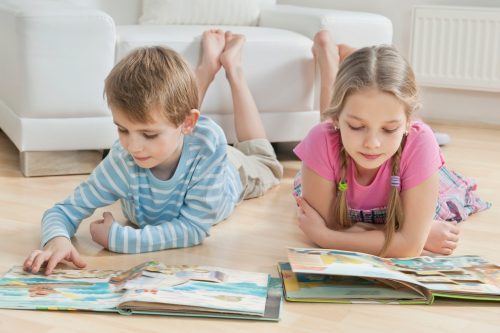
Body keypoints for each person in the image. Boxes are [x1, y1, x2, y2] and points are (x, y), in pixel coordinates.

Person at [23, 29, 283, 275]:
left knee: (265, 161)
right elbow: (62, 211)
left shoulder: (207, 148)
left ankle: (233, 68)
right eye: (122, 129)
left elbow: (194, 228)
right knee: (169, 113)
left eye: (148, 135)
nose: (133, 146)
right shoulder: (123, 160)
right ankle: (208, 68)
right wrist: (56, 240)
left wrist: (121, 238)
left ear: (189, 124)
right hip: (181, 137)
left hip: (232, 171)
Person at [294, 30, 490, 258]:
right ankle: (329, 60)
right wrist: (413, 235)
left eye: (389, 129)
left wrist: (326, 238)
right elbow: (406, 243)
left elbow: (407, 247)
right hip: (334, 141)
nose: (372, 144)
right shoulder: (324, 138)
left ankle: (342, 62)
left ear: (408, 122)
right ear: (341, 120)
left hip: (403, 158)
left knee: (346, 122)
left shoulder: (419, 141)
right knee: (327, 130)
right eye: (357, 127)